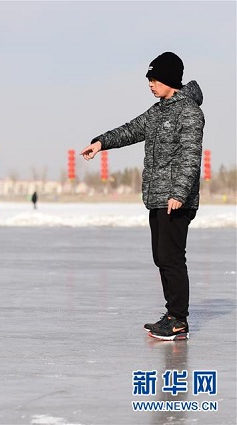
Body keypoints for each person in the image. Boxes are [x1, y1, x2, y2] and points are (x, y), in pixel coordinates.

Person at [80, 52, 204, 341]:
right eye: (149, 79)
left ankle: (178, 320)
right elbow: (130, 130)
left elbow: (190, 157)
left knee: (172, 258)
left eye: (155, 78)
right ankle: (171, 315)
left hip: (176, 200)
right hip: (157, 197)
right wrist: (100, 143)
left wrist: (179, 193)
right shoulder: (157, 111)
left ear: (170, 79)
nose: (150, 84)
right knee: (161, 257)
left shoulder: (189, 112)